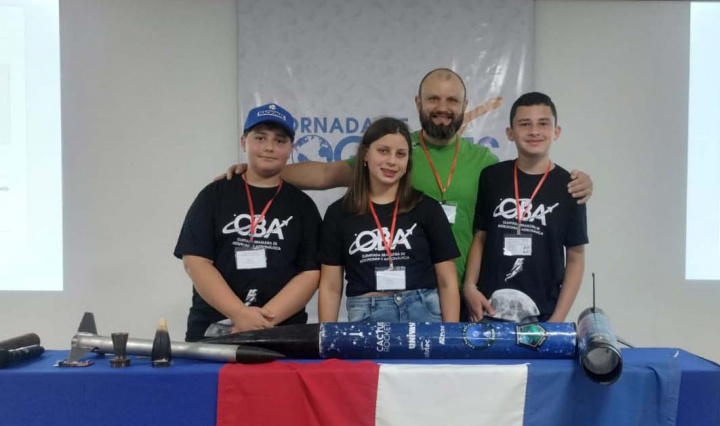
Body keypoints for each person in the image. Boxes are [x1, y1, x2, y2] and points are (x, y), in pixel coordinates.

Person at [221, 69, 593, 285]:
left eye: (451, 101)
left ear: (465, 107)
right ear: (419, 104)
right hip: (413, 292)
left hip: (472, 290)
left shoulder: (485, 160)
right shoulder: (395, 151)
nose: (443, 109)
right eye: (433, 99)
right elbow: (324, 173)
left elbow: (530, 181)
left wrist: (579, 182)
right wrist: (262, 171)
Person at [174, 103, 322, 341]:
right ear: (244, 141)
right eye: (260, 138)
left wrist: (262, 321)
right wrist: (239, 314)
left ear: (291, 148)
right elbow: (196, 261)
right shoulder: (214, 195)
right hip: (214, 330)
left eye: (280, 141)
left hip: (280, 332)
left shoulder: (303, 206)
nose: (269, 148)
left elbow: (310, 273)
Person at [318, 117, 460, 323]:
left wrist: (450, 337)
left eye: (400, 154)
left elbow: (447, 281)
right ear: (365, 154)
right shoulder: (339, 213)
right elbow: (331, 287)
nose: (392, 161)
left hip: (423, 310)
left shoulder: (427, 208)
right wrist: (327, 339)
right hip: (367, 313)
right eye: (383, 151)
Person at [463, 92, 587, 323]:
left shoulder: (570, 186)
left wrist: (557, 320)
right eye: (524, 124)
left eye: (543, 123)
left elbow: (576, 257)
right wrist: (469, 286)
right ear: (510, 133)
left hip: (543, 313)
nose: (534, 131)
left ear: (556, 132)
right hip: (488, 307)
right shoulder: (492, 177)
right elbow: (480, 237)